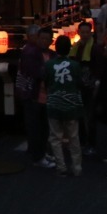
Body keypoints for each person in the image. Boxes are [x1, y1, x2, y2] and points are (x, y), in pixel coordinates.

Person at [44, 35, 84, 177]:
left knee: (55, 137)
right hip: (71, 104)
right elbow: (80, 83)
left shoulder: (49, 65)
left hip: (54, 103)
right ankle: (77, 167)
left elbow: (47, 82)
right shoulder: (75, 65)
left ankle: (61, 167)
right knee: (73, 137)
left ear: (56, 47)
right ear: (69, 48)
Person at [16, 25, 55, 168]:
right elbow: (36, 73)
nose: (44, 41)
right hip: (33, 95)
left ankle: (41, 153)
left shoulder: (48, 53)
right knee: (36, 128)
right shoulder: (30, 52)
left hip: (44, 96)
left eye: (47, 39)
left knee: (43, 127)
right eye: (42, 38)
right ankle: (38, 157)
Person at [70, 20, 102, 155]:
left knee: (90, 116)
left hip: (90, 86)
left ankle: (91, 143)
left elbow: (99, 68)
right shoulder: (76, 47)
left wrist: (97, 83)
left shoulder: (95, 48)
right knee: (80, 116)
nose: (84, 34)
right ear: (78, 33)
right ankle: (83, 141)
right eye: (82, 32)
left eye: (87, 32)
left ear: (91, 33)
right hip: (79, 86)